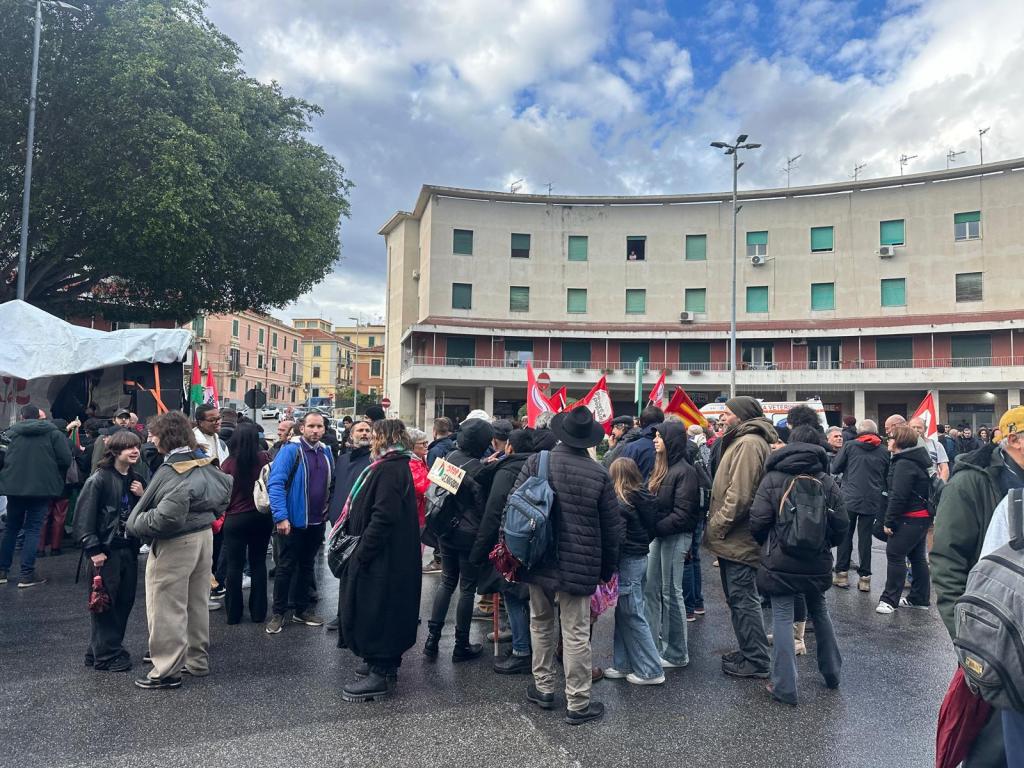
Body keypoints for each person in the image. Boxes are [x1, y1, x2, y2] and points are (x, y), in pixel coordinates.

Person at [515, 406, 622, 725]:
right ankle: (578, 702)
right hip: (581, 562)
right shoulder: (599, 473)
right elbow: (612, 529)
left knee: (540, 622)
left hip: (538, 557)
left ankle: (544, 688)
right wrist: (607, 569)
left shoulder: (537, 461)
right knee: (576, 632)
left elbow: (515, 504)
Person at [932, 406, 1024, 767]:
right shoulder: (972, 482)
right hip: (991, 634)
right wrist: (969, 638)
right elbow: (946, 561)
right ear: (1015, 439)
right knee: (991, 744)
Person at [125, 411, 232, 689]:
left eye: (154, 434)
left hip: (176, 542)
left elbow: (165, 517)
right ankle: (196, 661)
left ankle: (166, 670)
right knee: (196, 603)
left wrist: (136, 523)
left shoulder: (172, 469)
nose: (151, 438)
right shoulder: (203, 461)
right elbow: (222, 494)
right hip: (203, 536)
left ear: (165, 437)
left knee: (166, 607)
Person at [749, 425, 847, 705]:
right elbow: (841, 524)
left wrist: (769, 543)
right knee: (820, 610)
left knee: (781, 616)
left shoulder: (773, 477)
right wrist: (824, 543)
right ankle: (832, 673)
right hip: (817, 558)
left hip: (780, 558)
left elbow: (757, 520)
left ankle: (785, 686)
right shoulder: (826, 479)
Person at [338, 419, 422, 701]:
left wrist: (363, 552)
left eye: (374, 435)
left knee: (379, 607)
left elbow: (383, 515)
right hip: (390, 554)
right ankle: (382, 664)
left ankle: (380, 669)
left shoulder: (390, 469)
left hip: (384, 556)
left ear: (384, 438)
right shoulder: (393, 465)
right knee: (385, 606)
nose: (370, 439)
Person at [705, 396, 777, 679]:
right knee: (738, 599)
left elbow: (740, 495)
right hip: (735, 538)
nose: (723, 417)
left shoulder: (748, 444)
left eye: (727, 412)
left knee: (743, 599)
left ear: (741, 415)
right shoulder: (744, 440)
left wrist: (717, 526)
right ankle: (750, 650)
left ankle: (756, 660)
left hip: (738, 537)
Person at [73, 430, 148, 671]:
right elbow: (83, 517)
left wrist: (142, 495)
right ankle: (107, 654)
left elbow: (144, 513)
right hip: (106, 551)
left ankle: (99, 651)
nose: (135, 450)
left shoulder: (136, 479)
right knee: (105, 603)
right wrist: (93, 548)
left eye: (136, 446)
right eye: (129, 447)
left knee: (123, 601)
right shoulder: (99, 479)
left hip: (128, 549)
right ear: (116, 451)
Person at [424, 417, 493, 663]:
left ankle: (432, 640)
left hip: (445, 529)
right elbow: (482, 504)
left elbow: (446, 492)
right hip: (469, 533)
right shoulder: (481, 470)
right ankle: (461, 644)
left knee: (447, 581)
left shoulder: (448, 459)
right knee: (467, 588)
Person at [469, 429, 535, 673]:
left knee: (513, 596)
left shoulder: (506, 471)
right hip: (536, 542)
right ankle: (528, 645)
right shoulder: (540, 466)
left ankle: (521, 651)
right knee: (530, 598)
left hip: (509, 543)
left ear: (509, 447)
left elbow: (493, 512)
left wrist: (479, 549)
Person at [265, 411, 335, 634]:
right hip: (292, 522)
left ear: (324, 429)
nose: (316, 430)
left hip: (316, 522)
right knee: (285, 567)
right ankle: (278, 613)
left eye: (320, 427)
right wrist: (281, 517)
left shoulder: (326, 452)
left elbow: (331, 485)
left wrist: (327, 511)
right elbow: (275, 484)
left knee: (307, 566)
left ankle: (301, 610)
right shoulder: (290, 451)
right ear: (302, 428)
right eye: (312, 426)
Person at [644, 420, 700, 671]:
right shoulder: (661, 468)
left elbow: (684, 514)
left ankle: (677, 652)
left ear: (671, 441)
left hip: (675, 537)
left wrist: (653, 527)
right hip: (659, 535)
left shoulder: (685, 471)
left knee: (670, 592)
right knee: (651, 589)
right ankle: (651, 647)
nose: (655, 440)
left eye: (659, 437)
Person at [604, 458, 663, 685]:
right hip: (640, 556)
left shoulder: (621, 503)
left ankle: (651, 670)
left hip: (628, 559)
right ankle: (623, 663)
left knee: (632, 613)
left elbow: (617, 538)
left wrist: (608, 565)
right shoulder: (643, 497)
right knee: (625, 612)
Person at [0, 404, 72, 587]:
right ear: (40, 418)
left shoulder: (9, 433)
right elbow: (65, 459)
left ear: (22, 417)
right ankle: (26, 574)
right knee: (33, 528)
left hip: (14, 488)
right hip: (42, 487)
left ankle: (2, 571)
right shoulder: (54, 433)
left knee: (11, 528)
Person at [218, 423, 273, 625]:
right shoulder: (265, 459)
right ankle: (259, 613)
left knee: (234, 566)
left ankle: (233, 614)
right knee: (259, 563)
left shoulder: (228, 464)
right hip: (261, 516)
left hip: (235, 518)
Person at [875, 424, 932, 614]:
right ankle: (919, 598)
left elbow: (898, 496)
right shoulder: (915, 461)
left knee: (895, 554)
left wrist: (888, 521)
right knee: (917, 558)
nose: (887, 441)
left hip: (908, 517)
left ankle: (889, 600)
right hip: (921, 517)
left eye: (890, 438)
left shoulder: (903, 464)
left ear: (899, 441)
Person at [831, 419, 889, 592]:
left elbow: (835, 468)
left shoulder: (850, 446)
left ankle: (841, 575)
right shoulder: (884, 451)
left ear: (859, 432)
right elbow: (887, 476)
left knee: (845, 535)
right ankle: (865, 578)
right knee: (865, 539)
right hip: (872, 499)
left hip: (849, 498)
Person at [683, 424, 710, 621]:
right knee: (695, 557)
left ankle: (688, 607)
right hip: (699, 510)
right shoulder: (696, 451)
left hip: (689, 512)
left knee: (686, 558)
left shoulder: (682, 453)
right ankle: (697, 603)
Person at [618, 406, 665, 480]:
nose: (655, 441)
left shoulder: (631, 448)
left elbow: (622, 478)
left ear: (641, 423)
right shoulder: (673, 446)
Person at [909, 416, 950, 481]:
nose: (916, 430)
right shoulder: (903, 445)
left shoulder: (936, 445)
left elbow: (945, 468)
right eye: (913, 427)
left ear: (925, 429)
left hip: (931, 485)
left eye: (919, 427)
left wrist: (940, 486)